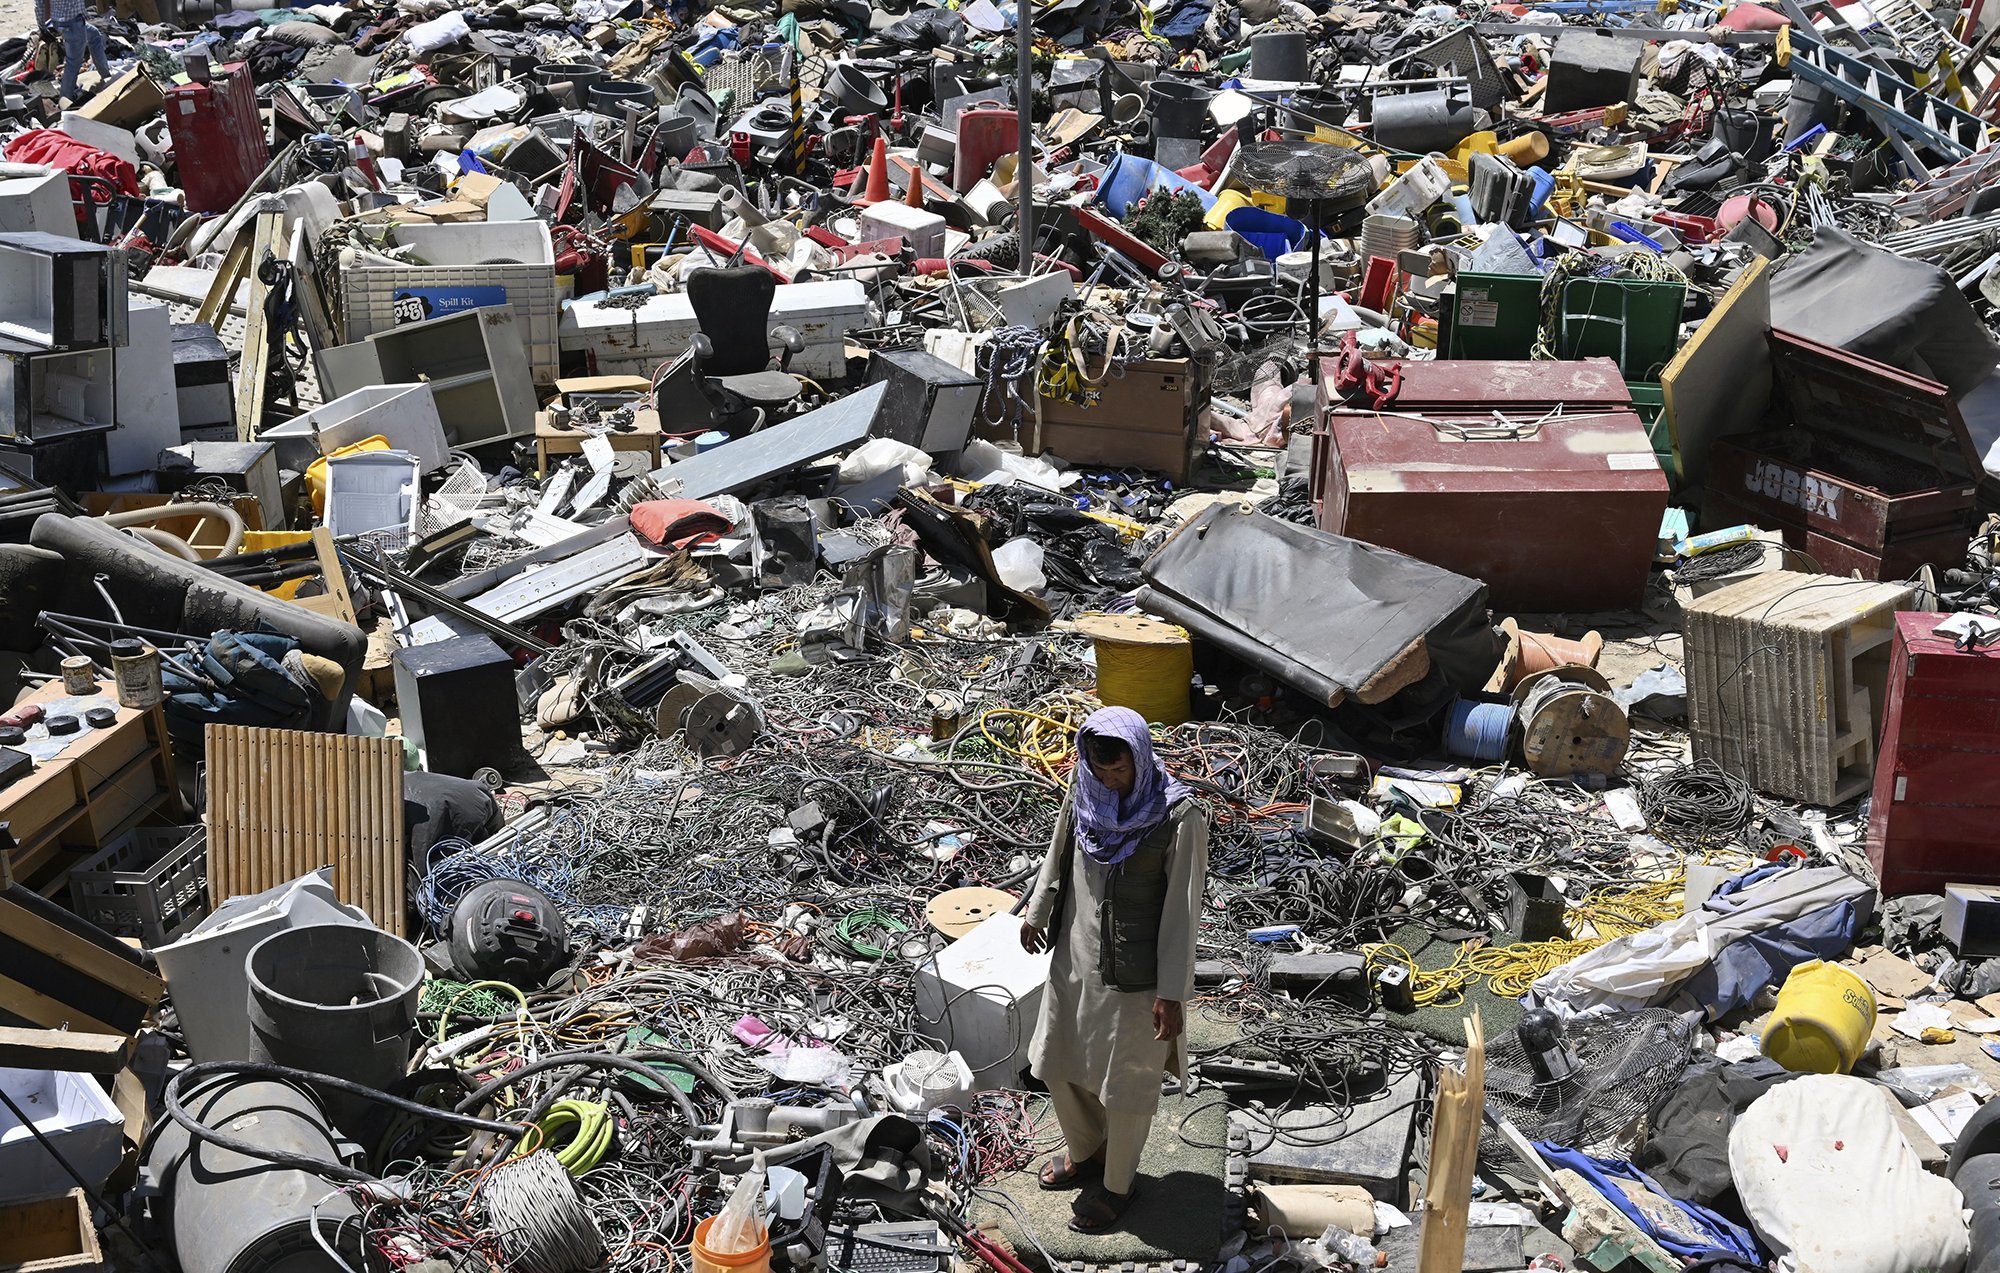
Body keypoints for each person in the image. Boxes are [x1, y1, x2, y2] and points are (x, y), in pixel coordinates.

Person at [1019, 706, 1210, 1233]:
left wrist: (1171, 993)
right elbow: (1058, 852)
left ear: (1141, 760)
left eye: (1119, 772)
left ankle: (1118, 1185)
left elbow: (1183, 911)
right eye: (1100, 772)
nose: (1109, 783)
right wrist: (1037, 910)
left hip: (1138, 975)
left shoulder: (1178, 817)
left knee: (1126, 1083)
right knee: (1059, 1057)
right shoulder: (1083, 791)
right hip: (1075, 955)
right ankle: (1087, 1152)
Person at [37, 0, 109, 108]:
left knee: (94, 35)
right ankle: (65, 99)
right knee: (73, 63)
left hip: (59, 22)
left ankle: (106, 75)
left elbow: (39, 5)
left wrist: (42, 27)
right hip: (74, 23)